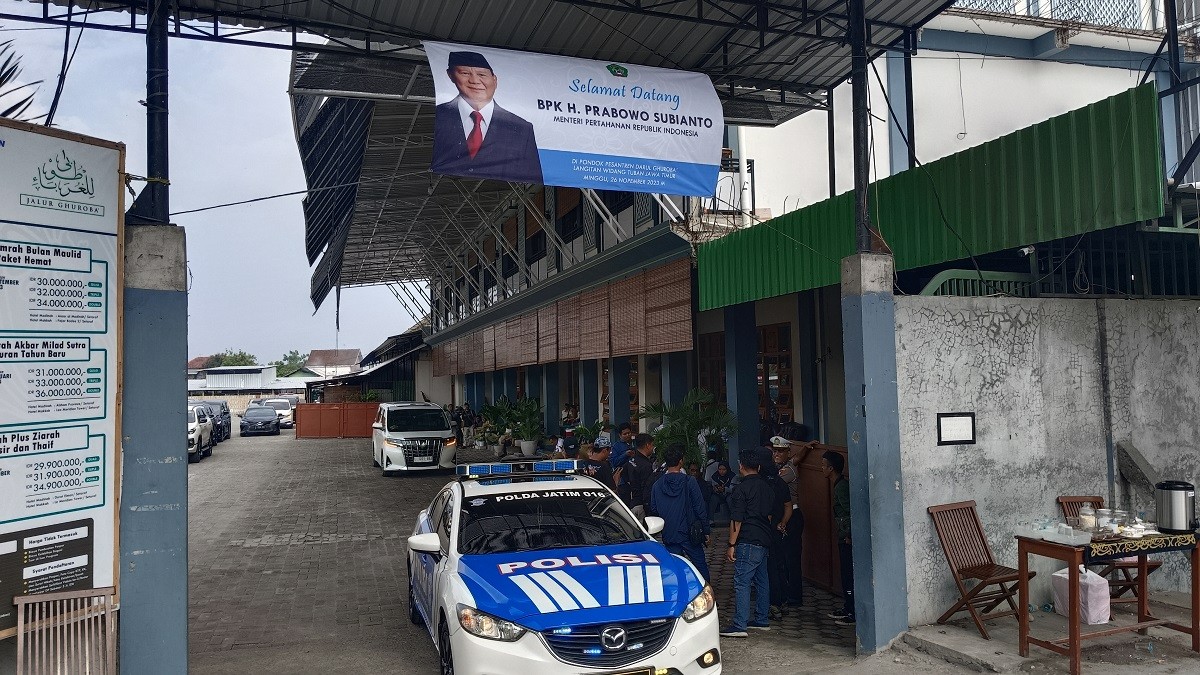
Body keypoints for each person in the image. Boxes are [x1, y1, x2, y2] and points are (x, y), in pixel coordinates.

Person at [432, 51, 543, 184]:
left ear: (495, 80)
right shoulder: (439, 116)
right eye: (465, 73)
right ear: (450, 75)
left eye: (482, 74)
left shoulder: (521, 128)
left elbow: (533, 176)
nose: (474, 81)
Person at [720, 451, 776, 638]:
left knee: (742, 582)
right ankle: (761, 619)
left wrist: (731, 544)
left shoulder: (740, 489)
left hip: (748, 539)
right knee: (762, 581)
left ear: (740, 466)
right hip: (764, 538)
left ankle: (739, 624)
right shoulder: (767, 487)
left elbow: (737, 519)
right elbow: (769, 515)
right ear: (758, 467)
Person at [651, 446, 711, 580]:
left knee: (675, 568)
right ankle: (705, 594)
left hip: (669, 532)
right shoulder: (689, 481)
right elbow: (699, 507)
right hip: (689, 532)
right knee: (700, 565)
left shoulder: (657, 484)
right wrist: (706, 530)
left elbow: (654, 509)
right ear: (681, 461)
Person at [757, 447, 793, 620]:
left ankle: (772, 604)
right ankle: (782, 601)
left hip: (763, 531)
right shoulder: (780, 482)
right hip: (777, 530)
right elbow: (788, 506)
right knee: (780, 566)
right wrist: (783, 523)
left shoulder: (759, 483)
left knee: (766, 569)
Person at [771, 436, 806, 608]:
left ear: (787, 452)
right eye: (775, 450)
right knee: (782, 558)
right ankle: (786, 593)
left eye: (780, 451)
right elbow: (797, 457)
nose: (776, 454)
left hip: (792, 515)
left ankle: (794, 596)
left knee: (791, 558)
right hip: (783, 516)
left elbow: (774, 483)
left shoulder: (787, 471)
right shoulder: (784, 466)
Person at [823, 450, 855, 626]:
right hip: (843, 535)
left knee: (848, 574)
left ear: (831, 468)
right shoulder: (838, 484)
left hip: (846, 537)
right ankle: (848, 607)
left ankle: (851, 611)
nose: (821, 468)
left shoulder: (841, 487)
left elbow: (850, 512)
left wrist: (849, 535)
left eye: (823, 465)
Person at [623, 433, 656, 517]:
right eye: (652, 445)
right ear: (647, 445)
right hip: (641, 505)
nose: (653, 448)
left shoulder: (631, 460)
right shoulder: (646, 466)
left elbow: (625, 477)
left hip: (632, 501)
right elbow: (647, 488)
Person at [610, 423, 635, 501]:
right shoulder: (616, 446)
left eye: (629, 433)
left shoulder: (635, 443)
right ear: (620, 435)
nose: (627, 435)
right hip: (623, 480)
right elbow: (614, 462)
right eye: (625, 434)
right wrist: (625, 454)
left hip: (635, 477)